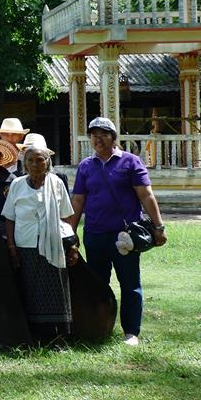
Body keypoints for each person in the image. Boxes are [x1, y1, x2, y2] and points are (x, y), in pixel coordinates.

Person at [70, 116, 167, 346]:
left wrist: (159, 227)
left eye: (103, 135)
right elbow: (78, 200)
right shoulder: (86, 166)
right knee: (97, 284)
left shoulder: (130, 162)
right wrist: (71, 233)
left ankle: (131, 332)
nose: (98, 139)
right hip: (95, 234)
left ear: (113, 138)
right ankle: (99, 328)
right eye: (94, 135)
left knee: (130, 284)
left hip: (125, 236)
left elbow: (146, 195)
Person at [1, 139, 79, 344]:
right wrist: (11, 247)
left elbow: (66, 218)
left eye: (40, 160)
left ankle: (58, 336)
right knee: (29, 289)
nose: (35, 164)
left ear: (48, 162)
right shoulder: (17, 185)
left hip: (53, 245)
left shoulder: (57, 183)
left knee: (55, 291)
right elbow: (9, 218)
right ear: (25, 164)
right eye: (31, 160)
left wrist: (73, 245)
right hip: (25, 246)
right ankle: (34, 336)